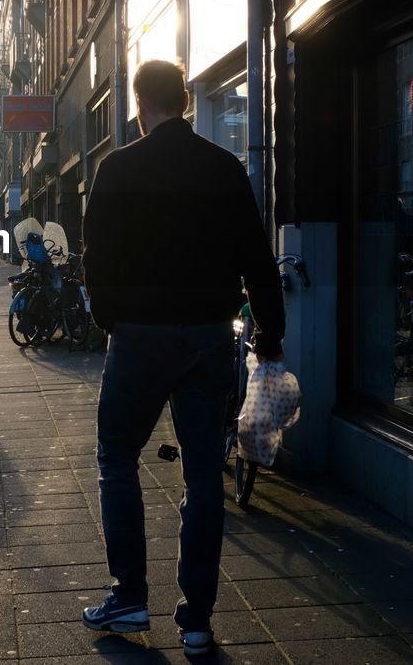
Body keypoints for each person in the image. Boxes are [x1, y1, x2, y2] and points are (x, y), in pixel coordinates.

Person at [80, 59, 285, 658]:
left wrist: (110, 320)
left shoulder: (116, 168)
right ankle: (196, 621)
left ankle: (129, 594)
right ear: (187, 101)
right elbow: (257, 256)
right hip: (206, 337)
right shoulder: (222, 168)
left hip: (140, 335)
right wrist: (270, 331)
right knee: (202, 473)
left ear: (140, 105)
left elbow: (97, 257)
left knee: (117, 458)